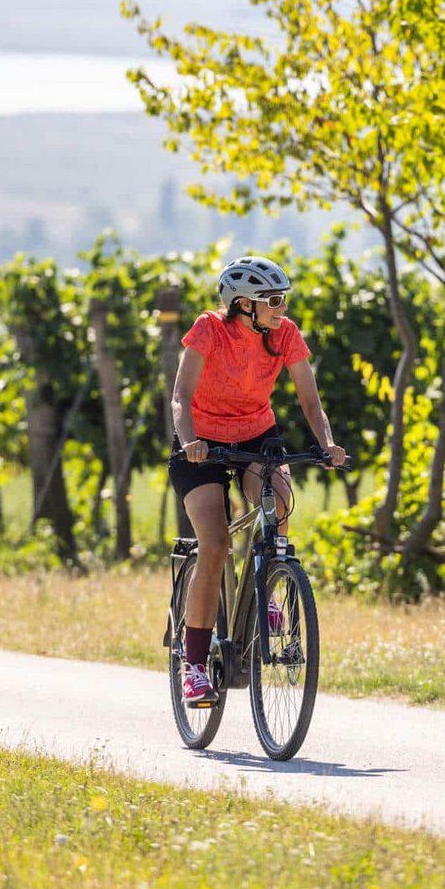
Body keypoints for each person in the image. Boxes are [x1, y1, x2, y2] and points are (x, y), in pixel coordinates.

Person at [170, 256, 346, 706]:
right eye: (273, 300)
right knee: (214, 545)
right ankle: (193, 665)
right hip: (203, 442)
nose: (281, 308)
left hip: (255, 433)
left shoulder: (284, 334)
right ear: (244, 304)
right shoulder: (209, 329)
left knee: (281, 502)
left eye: (283, 299)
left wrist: (326, 443)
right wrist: (190, 441)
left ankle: (269, 587)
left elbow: (311, 400)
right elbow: (180, 397)